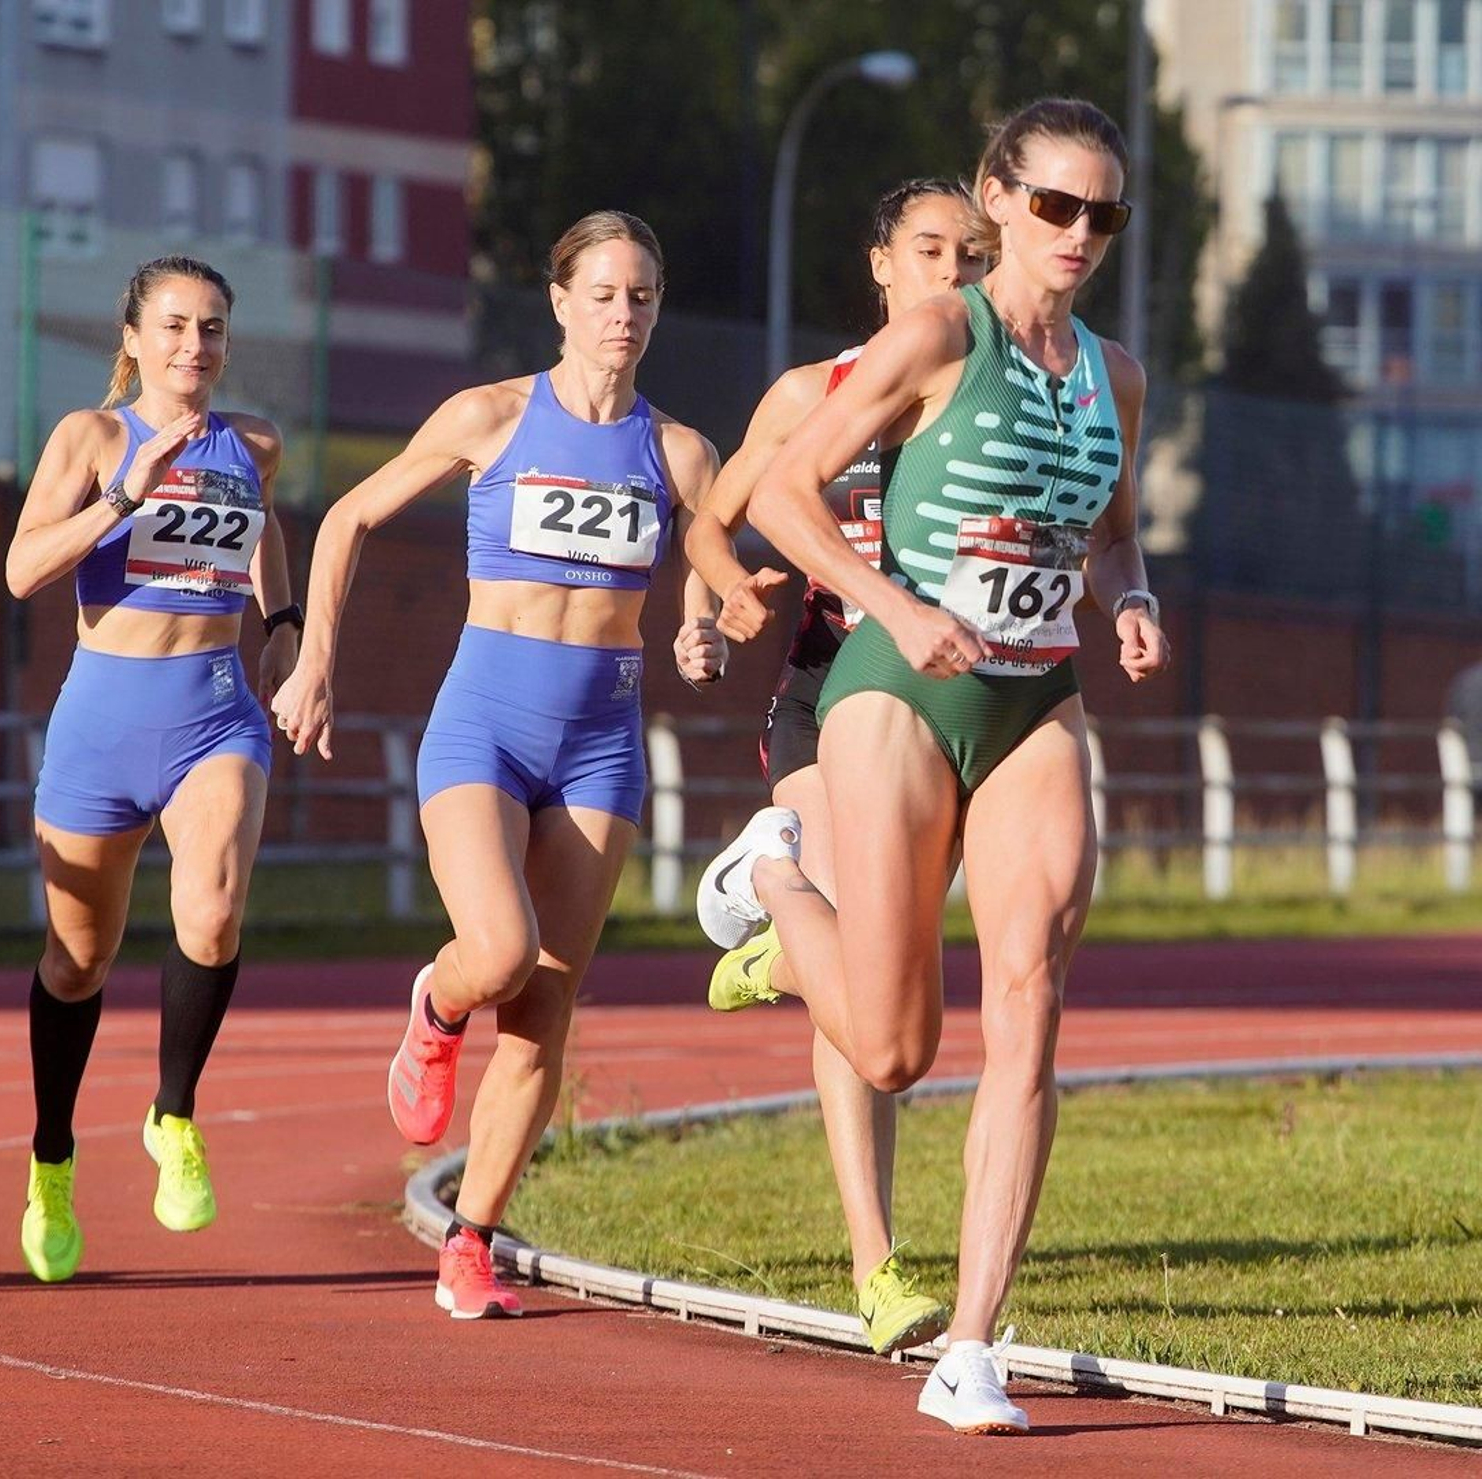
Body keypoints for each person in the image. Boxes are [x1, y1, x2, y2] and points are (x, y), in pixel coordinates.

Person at [695, 100, 1171, 1433]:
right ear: (998, 197)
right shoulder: (935, 338)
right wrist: (892, 607)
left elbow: (1113, 533)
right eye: (1056, 205)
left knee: (1030, 999)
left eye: (1104, 214)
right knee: (896, 1048)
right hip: (899, 689)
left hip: (1036, 698)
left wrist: (1131, 598)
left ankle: (970, 1347)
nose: (1079, 233)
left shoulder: (1115, 375)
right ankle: (776, 879)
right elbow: (781, 491)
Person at [271, 211, 725, 1320]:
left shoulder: (680, 453)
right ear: (560, 302)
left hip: (601, 744)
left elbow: (707, 563)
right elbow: (348, 518)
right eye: (603, 294)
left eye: (642, 296)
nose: (623, 316)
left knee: (543, 1009)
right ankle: (436, 1005)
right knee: (500, 952)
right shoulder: (491, 416)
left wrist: (700, 625)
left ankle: (470, 1238)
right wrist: (314, 661)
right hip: (484, 726)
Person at [684, 179, 985, 1355]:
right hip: (828, 693)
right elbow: (712, 521)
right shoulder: (814, 393)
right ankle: (876, 1266)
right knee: (863, 939)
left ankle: (777, 931)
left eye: (972, 254)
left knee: (883, 984)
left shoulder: (994, 404)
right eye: (929, 249)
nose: (952, 272)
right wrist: (723, 599)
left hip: (948, 704)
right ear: (881, 264)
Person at [6, 256, 298, 1283]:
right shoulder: (91, 438)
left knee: (211, 914)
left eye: (211, 327)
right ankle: (51, 1159)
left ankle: (173, 1115)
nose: (194, 345)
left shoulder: (252, 444)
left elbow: (264, 527)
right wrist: (124, 495)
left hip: (213, 715)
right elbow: (22, 568)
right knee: (76, 961)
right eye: (173, 326)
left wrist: (282, 622)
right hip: (101, 724)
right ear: (133, 339)